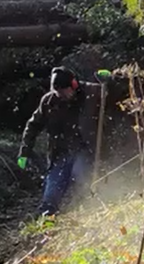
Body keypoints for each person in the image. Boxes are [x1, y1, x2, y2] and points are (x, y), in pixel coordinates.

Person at [17, 66, 104, 216]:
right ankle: (47, 216)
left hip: (85, 149)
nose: (61, 96)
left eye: (64, 92)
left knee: (81, 176)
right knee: (52, 190)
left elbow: (118, 94)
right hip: (60, 153)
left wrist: (111, 81)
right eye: (58, 92)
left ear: (74, 85)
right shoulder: (49, 102)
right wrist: (24, 151)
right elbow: (33, 125)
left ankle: (91, 210)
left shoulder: (92, 92)